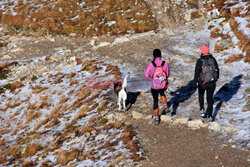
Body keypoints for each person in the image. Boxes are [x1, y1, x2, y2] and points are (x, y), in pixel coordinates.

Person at [193, 44, 219, 122]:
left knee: (201, 95)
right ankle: (210, 116)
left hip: (202, 83)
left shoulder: (199, 61)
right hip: (211, 82)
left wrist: (195, 82)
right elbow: (217, 70)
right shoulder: (213, 59)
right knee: (209, 98)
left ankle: (202, 110)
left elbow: (196, 73)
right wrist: (215, 79)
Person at [144, 49, 170, 125]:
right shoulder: (165, 63)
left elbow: (146, 74)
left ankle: (156, 119)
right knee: (162, 92)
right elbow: (167, 74)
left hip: (154, 85)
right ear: (160, 54)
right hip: (163, 84)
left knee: (155, 100)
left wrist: (152, 79)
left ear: (153, 55)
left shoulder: (151, 64)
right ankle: (165, 106)